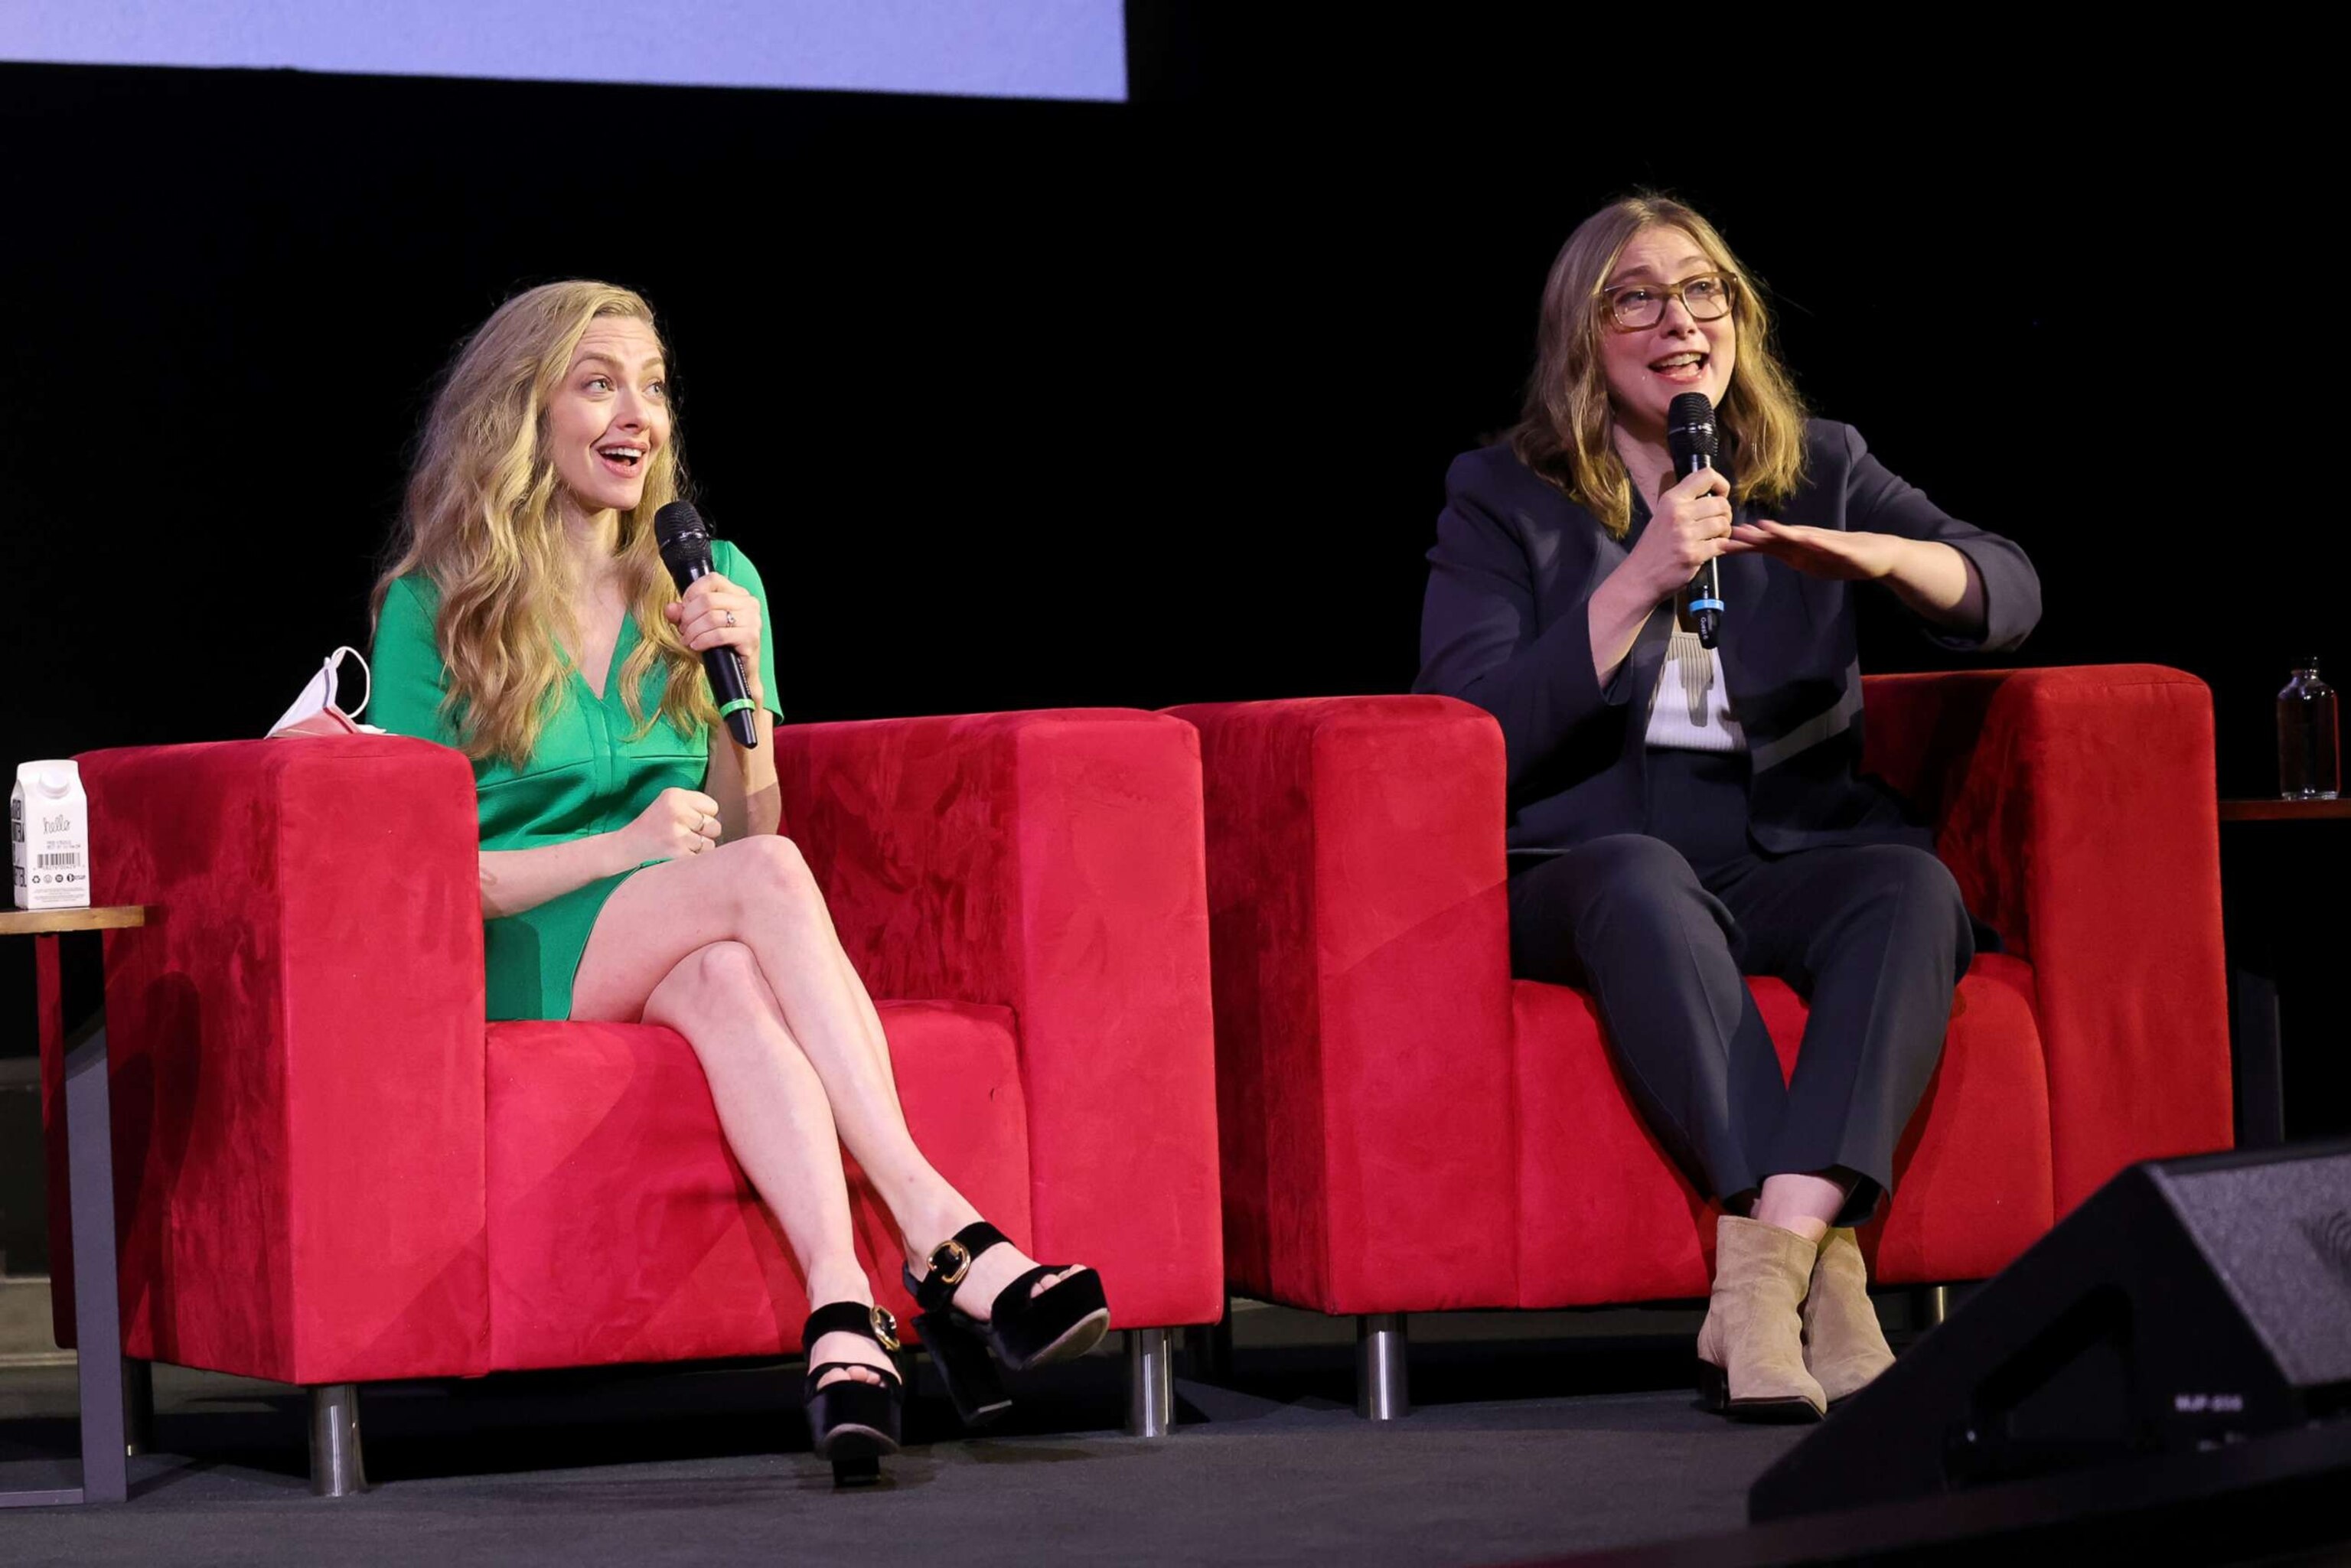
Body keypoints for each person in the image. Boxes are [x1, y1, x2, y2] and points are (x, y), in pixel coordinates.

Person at [368, 281, 1109, 1482]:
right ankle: (943, 1231)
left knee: (724, 970)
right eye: (600, 381)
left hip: (675, 925)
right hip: (509, 939)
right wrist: (620, 850)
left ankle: (838, 1311)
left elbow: (753, 816)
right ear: (525, 413)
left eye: (654, 385)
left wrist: (744, 684)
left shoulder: (713, 581)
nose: (639, 414)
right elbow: (419, 871)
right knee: (752, 886)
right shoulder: (437, 609)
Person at [1416, 196, 2040, 1421]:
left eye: (1703, 293)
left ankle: (1769, 1271)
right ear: (1582, 336)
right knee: (1643, 878)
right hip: (1590, 858)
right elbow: (1469, 725)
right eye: (1633, 298)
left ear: (1737, 321)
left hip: (1784, 847)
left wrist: (1878, 559)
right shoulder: (1505, 494)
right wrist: (1640, 580)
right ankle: (1825, 1276)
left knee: (1910, 884)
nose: (1677, 321)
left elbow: (2008, 588)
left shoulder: (1823, 462)